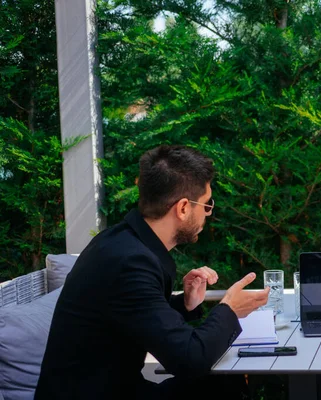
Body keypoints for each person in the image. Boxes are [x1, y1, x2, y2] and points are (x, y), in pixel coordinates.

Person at [35, 145, 270, 400]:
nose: (208, 213)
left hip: (111, 389)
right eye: (206, 205)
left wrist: (186, 304)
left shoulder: (119, 242)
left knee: (223, 385)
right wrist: (230, 310)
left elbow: (135, 311)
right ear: (182, 208)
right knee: (223, 387)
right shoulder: (130, 262)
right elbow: (190, 359)